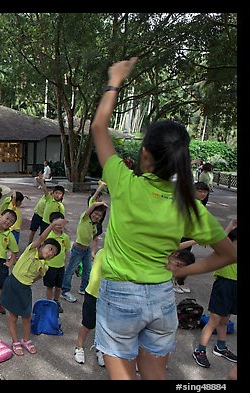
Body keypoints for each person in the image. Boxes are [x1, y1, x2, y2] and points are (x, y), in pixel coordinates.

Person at [91, 56, 236, 380]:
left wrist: (115, 79)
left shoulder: (122, 181)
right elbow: (228, 254)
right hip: (160, 297)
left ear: (144, 155)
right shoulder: (189, 205)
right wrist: (187, 269)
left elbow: (99, 127)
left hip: (119, 296)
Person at [0, 218, 62, 356]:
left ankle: (26, 340)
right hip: (13, 284)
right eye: (50, 249)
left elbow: (38, 277)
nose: (50, 253)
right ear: (43, 245)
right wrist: (52, 225)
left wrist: (28, 282)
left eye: (54, 253)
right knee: (13, 317)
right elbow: (41, 237)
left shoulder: (45, 266)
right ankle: (15, 341)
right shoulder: (31, 250)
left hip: (25, 289)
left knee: (27, 317)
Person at [191, 222, 237, 369]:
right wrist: (230, 226)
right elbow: (219, 239)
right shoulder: (224, 254)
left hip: (235, 288)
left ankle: (221, 347)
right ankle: (200, 350)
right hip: (223, 286)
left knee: (225, 319)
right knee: (214, 320)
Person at [60, 201, 107, 303]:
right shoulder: (84, 218)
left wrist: (93, 252)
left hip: (86, 250)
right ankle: (65, 291)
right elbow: (93, 205)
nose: (96, 216)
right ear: (91, 212)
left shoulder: (94, 225)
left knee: (87, 270)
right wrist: (102, 204)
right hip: (77, 250)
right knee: (70, 270)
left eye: (99, 215)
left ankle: (83, 288)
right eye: (95, 213)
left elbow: (95, 239)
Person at [173, 181, 211, 294]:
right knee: (181, 258)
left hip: (189, 236)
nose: (203, 194)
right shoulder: (187, 204)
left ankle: (177, 281)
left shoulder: (201, 205)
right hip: (180, 235)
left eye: (205, 191)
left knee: (184, 259)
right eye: (199, 191)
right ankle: (177, 281)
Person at [74, 248, 106, 367]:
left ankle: (101, 350)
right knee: (88, 325)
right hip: (93, 294)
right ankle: (79, 347)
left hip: (108, 298)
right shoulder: (102, 252)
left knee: (104, 326)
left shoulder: (123, 255)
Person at [43, 211, 70, 314]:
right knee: (50, 286)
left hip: (60, 267)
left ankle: (56, 301)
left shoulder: (65, 237)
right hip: (49, 266)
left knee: (58, 287)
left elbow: (66, 250)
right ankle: (49, 303)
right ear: (51, 223)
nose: (59, 225)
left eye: (61, 222)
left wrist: (65, 261)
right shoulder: (48, 236)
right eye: (56, 222)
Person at [87, 180, 108, 260]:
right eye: (98, 196)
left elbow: (103, 216)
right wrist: (101, 186)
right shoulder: (92, 203)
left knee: (95, 239)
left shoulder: (102, 205)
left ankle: (92, 252)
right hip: (90, 224)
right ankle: (88, 252)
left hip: (97, 224)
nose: (99, 197)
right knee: (88, 239)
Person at [28, 174, 47, 244]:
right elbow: (45, 189)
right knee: (32, 230)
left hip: (45, 218)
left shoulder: (53, 202)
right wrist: (41, 182)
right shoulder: (47, 196)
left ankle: (40, 245)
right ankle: (29, 243)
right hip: (37, 214)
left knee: (43, 233)